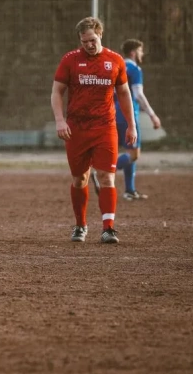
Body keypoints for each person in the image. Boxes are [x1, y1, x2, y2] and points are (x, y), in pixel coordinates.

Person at [51, 17, 137, 244]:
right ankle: (80, 225)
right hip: (76, 129)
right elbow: (57, 92)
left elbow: (124, 94)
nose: (89, 44)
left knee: (106, 176)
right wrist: (60, 120)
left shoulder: (115, 61)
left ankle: (108, 228)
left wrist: (131, 125)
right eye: (84, 41)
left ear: (101, 35)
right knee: (80, 179)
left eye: (92, 40)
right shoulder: (70, 60)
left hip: (104, 127)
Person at [112, 39, 161, 200]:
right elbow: (138, 95)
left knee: (128, 151)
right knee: (134, 154)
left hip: (113, 113)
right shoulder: (135, 69)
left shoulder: (116, 67)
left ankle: (130, 190)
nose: (142, 54)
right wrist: (153, 115)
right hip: (129, 114)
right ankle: (103, 173)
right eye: (140, 51)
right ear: (133, 52)